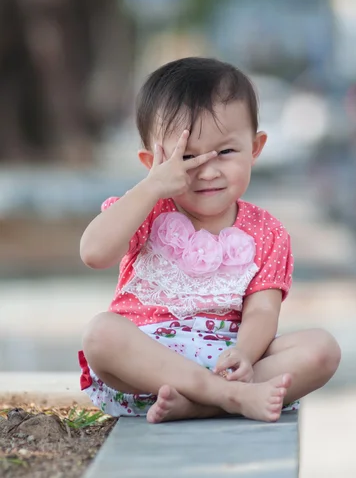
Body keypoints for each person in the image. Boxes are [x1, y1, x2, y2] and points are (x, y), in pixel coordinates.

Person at [78, 57, 341, 423]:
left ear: (256, 147)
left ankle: (203, 403)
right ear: (151, 161)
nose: (209, 170)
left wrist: (245, 355)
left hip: (228, 362)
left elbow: (263, 311)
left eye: (226, 151)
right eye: (186, 157)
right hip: (149, 369)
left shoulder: (267, 231)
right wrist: (152, 188)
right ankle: (228, 398)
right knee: (100, 333)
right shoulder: (146, 210)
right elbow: (93, 253)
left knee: (321, 349)